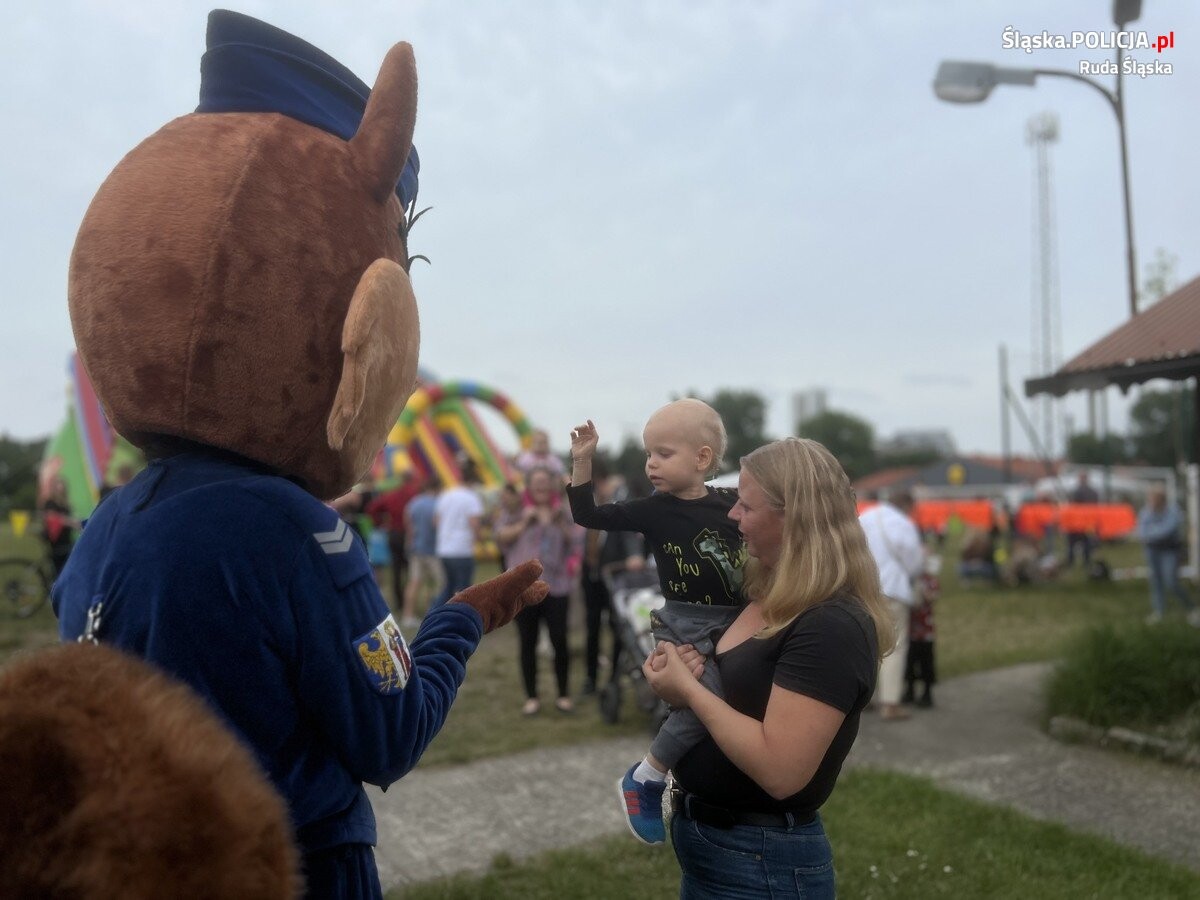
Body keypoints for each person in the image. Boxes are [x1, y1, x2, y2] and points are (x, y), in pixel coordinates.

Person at [643, 437, 893, 899]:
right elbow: (736, 696)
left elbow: (781, 771)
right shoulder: (765, 595)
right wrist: (678, 679)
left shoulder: (831, 624)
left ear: (793, 517)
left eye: (745, 505)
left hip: (761, 861)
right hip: (716, 846)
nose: (732, 515)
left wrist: (691, 692)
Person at [568, 399, 746, 845]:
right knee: (710, 701)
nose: (651, 465)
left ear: (702, 458)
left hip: (736, 619)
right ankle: (647, 777)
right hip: (684, 624)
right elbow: (587, 515)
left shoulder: (734, 504)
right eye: (649, 454)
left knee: (738, 699)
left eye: (663, 454)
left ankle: (718, 784)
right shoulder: (653, 510)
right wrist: (583, 461)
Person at [495, 467, 582, 715]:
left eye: (546, 482)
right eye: (537, 483)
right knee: (527, 642)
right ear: (529, 487)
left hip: (557, 586)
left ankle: (563, 695)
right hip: (524, 589)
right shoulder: (516, 511)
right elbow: (501, 537)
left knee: (560, 641)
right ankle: (531, 697)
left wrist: (560, 524)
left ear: (552, 486)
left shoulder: (563, 512)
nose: (542, 487)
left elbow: (577, 542)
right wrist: (525, 521)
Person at [858, 491, 924, 721]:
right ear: (906, 504)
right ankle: (890, 702)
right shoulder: (902, 523)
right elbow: (914, 562)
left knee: (867, 644)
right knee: (894, 645)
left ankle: (865, 697)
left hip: (865, 588)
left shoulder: (865, 517)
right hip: (893, 589)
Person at [579, 465, 645, 695]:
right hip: (591, 575)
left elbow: (628, 533)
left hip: (614, 576)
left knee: (618, 628)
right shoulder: (587, 506)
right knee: (592, 627)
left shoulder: (619, 503)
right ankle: (590, 679)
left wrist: (634, 554)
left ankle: (613, 679)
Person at [1136, 485, 1198, 626]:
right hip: (1152, 551)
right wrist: (1151, 533)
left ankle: (1191, 608)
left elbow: (1166, 531)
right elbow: (1142, 532)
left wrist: (1151, 533)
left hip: (1169, 551)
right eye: (1150, 499)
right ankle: (1159, 612)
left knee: (1171, 581)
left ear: (1162, 500)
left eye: (1154, 499)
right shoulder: (1146, 512)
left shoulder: (1173, 512)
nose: (1151, 502)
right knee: (1156, 582)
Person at [432, 461, 485, 610]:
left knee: (449, 587)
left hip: (444, 549)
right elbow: (474, 523)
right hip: (461, 549)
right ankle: (460, 617)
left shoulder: (446, 494)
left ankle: (435, 612)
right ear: (473, 481)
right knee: (463, 589)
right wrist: (480, 539)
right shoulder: (472, 498)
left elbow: (435, 522)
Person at [366, 473, 421, 609]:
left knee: (396, 569)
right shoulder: (415, 494)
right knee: (411, 569)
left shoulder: (391, 494)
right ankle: (411, 603)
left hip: (394, 533)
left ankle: (399, 602)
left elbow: (371, 508)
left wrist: (379, 522)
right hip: (410, 534)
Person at [401, 477, 442, 629]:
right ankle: (433, 614)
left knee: (414, 582)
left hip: (416, 548)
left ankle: (408, 615)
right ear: (437, 488)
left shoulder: (413, 503)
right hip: (433, 549)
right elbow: (437, 525)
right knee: (438, 583)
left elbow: (408, 526)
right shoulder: (437, 504)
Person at [39, 477, 78, 582]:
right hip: (56, 538)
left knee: (68, 564)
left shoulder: (65, 503)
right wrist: (71, 522)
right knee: (59, 567)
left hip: (66, 538)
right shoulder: (50, 502)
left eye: (62, 485)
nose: (60, 488)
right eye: (57, 485)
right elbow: (52, 518)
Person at [1065, 472, 1100, 568]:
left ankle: (1071, 562)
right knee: (1087, 543)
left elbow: (1072, 507)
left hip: (1076, 524)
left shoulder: (1076, 492)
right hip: (1089, 524)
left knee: (1071, 544)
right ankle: (1086, 562)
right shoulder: (1094, 492)